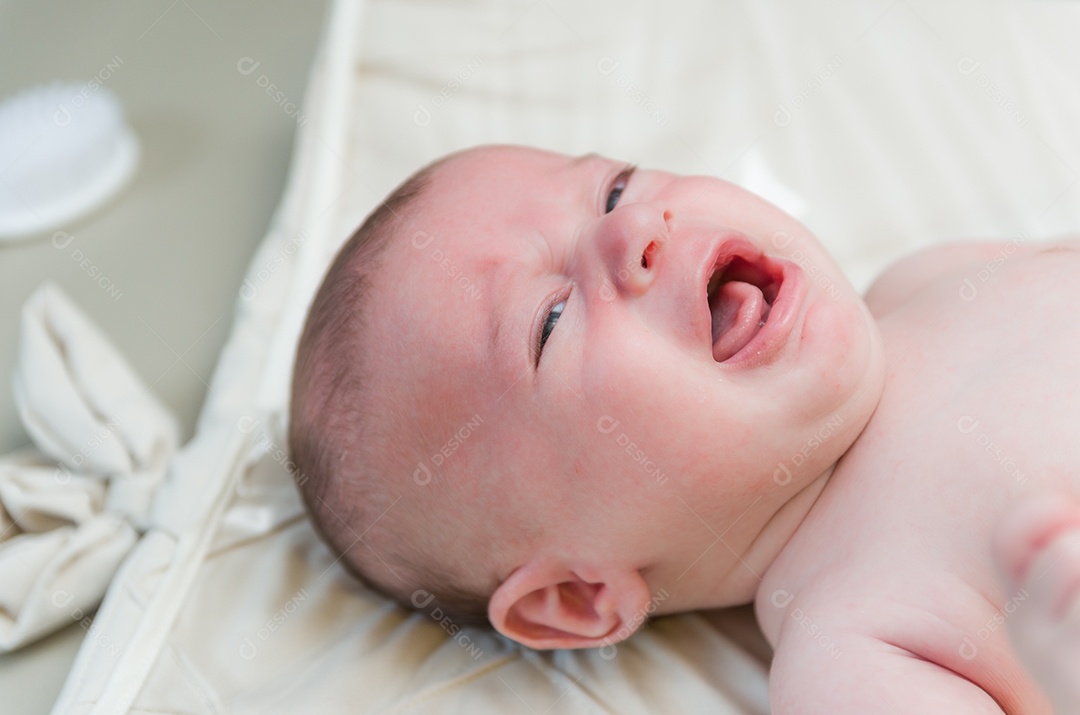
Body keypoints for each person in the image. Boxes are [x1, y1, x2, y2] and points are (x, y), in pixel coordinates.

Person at [289, 143, 1080, 713]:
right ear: (576, 595)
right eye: (549, 322)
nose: (631, 230)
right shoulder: (854, 649)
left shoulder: (931, 277)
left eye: (613, 190)